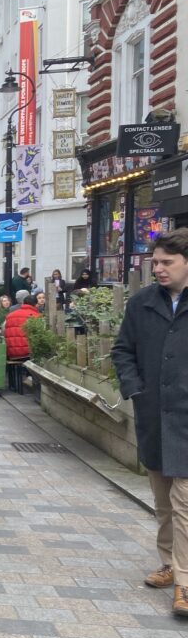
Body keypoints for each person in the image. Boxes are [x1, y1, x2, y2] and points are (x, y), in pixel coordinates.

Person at [111, 229, 188, 617]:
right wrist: (135, 388)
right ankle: (169, 562)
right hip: (154, 415)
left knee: (184, 501)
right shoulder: (141, 303)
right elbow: (122, 350)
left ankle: (185, 583)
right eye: (154, 262)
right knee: (163, 501)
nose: (157, 268)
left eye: (166, 262)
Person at [3, 294, 41, 361]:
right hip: (28, 354)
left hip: (11, 353)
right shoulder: (36, 316)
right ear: (35, 304)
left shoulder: (10, 315)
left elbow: (3, 330)